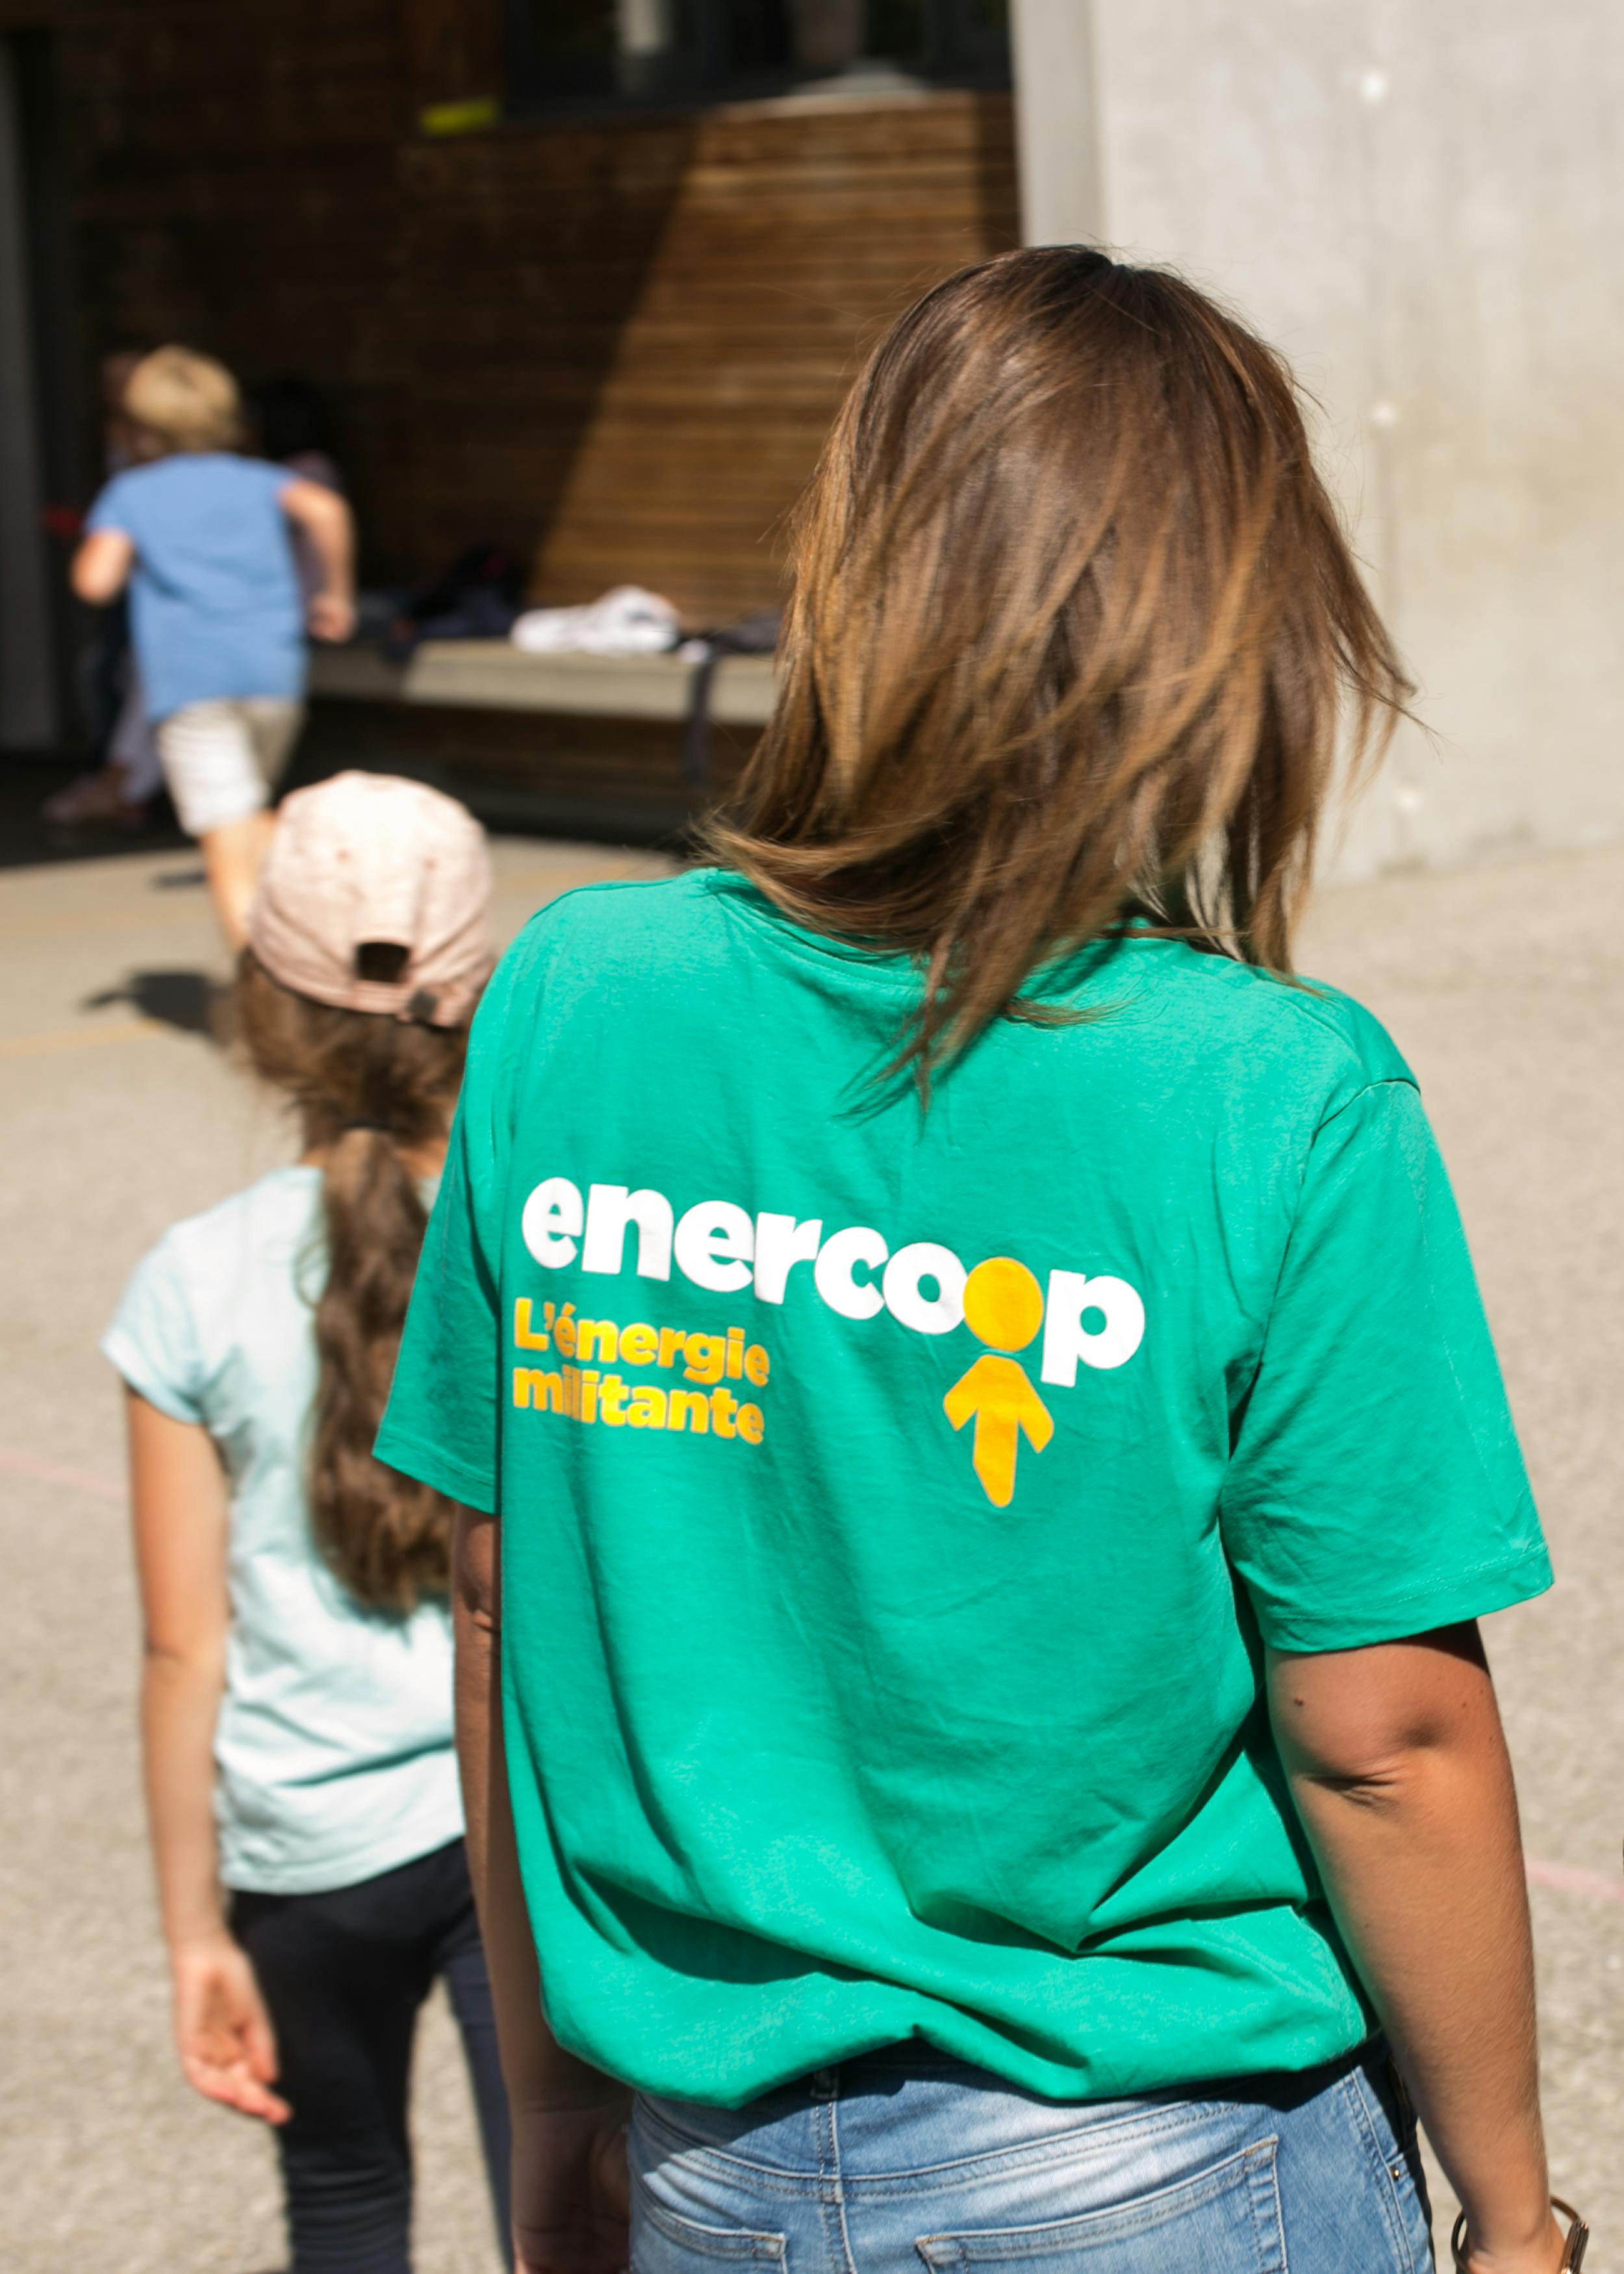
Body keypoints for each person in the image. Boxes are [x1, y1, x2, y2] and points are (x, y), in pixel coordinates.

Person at [377, 248, 1582, 2274]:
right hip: (1165, 2158)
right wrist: (1513, 2204)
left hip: (711, 2160)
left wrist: (562, 2100)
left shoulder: (577, 994)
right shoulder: (1268, 1087)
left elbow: (503, 1610)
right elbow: (1382, 1729)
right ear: (1232, 625)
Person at [105, 773, 511, 2274]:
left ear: (260, 1011)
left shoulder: (195, 1278)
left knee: (342, 2206)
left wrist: (194, 1931)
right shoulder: (545, 1243)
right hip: (510, 1829)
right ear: (477, 1001)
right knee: (573, 2210)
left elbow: (177, 1649)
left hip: (304, 1846)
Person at [69, 346, 356, 945]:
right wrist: (335, 595)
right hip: (273, 672)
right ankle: (337, 897)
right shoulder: (263, 480)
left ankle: (266, 984)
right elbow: (326, 510)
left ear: (141, 426)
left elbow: (95, 582)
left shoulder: (132, 491)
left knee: (226, 840)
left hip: (191, 683)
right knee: (249, 815)